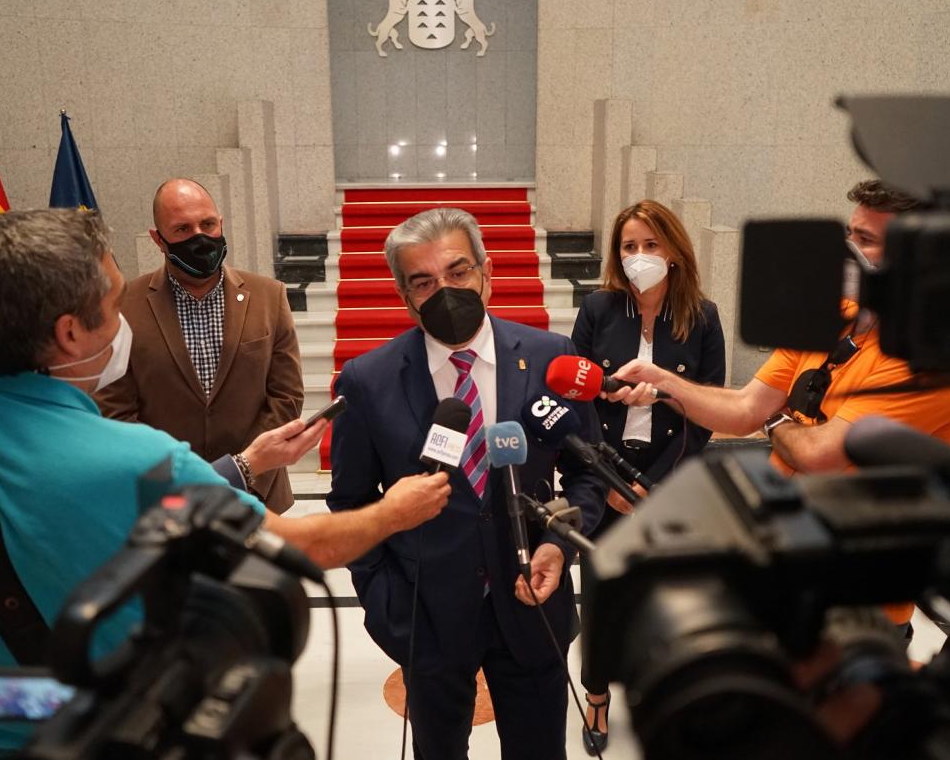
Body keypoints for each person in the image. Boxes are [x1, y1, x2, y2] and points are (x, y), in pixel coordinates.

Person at [0, 209, 451, 760]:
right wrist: (393, 511)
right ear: (69, 333)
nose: (122, 322)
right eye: (114, 305)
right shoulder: (137, 459)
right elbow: (304, 548)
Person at [608, 180, 950, 638]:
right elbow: (743, 408)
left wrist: (774, 417)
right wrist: (664, 383)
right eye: (850, 233)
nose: (847, 250)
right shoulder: (830, 316)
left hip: (859, 608)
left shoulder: (926, 361)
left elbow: (819, 452)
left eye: (866, 240)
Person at [327, 207, 606, 760]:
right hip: (425, 616)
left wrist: (557, 545)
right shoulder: (368, 380)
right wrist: (384, 602)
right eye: (423, 281)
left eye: (457, 273)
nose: (444, 290)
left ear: (487, 273)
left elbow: (586, 473)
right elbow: (351, 504)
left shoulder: (551, 358)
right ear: (404, 295)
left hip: (532, 601)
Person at [570, 199, 726, 754]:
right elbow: (574, 395)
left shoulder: (703, 317)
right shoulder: (598, 309)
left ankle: (662, 689)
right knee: (602, 592)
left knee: (666, 596)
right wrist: (610, 482)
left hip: (668, 477)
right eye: (629, 246)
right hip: (602, 473)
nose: (639, 257)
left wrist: (650, 488)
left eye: (651, 245)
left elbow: (706, 414)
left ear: (675, 252)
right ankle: (597, 695)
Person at [96, 178, 304, 513]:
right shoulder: (123, 305)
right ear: (158, 239)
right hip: (162, 499)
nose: (199, 237)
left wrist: (246, 472)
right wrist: (179, 480)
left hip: (258, 496)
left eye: (207, 224)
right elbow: (115, 410)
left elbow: (286, 396)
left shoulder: (269, 296)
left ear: (220, 223)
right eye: (182, 229)